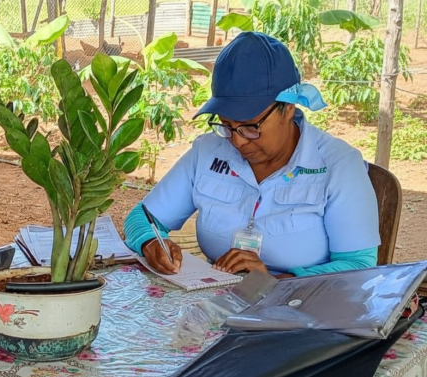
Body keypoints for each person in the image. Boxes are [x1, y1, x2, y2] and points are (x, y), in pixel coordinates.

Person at [124, 32, 380, 278]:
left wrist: (272, 280)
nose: (237, 140)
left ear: (288, 109)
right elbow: (142, 218)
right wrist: (149, 242)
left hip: (302, 308)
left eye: (251, 126)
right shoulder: (207, 152)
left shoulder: (337, 166)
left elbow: (358, 265)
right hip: (218, 299)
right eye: (226, 124)